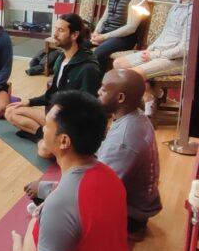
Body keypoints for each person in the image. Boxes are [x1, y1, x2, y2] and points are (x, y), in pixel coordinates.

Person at [0, 91, 130, 251]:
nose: (43, 129)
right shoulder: (110, 177)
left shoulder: (61, 203)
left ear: (64, 141)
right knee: (35, 223)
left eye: (47, 125)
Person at [30, 69, 162, 239]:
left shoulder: (122, 141)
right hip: (138, 204)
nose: (98, 91)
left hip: (131, 216)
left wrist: (46, 190)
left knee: (51, 213)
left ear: (120, 98)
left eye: (105, 89)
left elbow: (97, 190)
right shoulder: (137, 117)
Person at [113, 0, 199, 110]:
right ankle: (152, 94)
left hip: (176, 60)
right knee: (119, 64)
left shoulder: (193, 12)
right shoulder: (176, 7)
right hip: (158, 53)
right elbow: (164, 34)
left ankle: (141, 107)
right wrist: (150, 50)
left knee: (135, 74)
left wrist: (155, 54)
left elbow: (184, 49)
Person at [5, 13, 101, 141]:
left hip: (71, 124)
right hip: (56, 116)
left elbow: (88, 108)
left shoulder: (89, 68)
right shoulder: (61, 58)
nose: (55, 34)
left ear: (74, 35)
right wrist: (29, 102)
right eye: (55, 29)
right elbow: (52, 94)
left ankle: (50, 139)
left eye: (60, 30)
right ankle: (44, 136)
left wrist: (59, 113)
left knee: (44, 151)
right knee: (10, 111)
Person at [90, 0, 145, 73]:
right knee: (78, 46)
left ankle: (97, 87)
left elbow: (131, 28)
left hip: (124, 39)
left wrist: (104, 37)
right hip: (106, 34)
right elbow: (104, 18)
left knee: (97, 53)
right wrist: (96, 32)